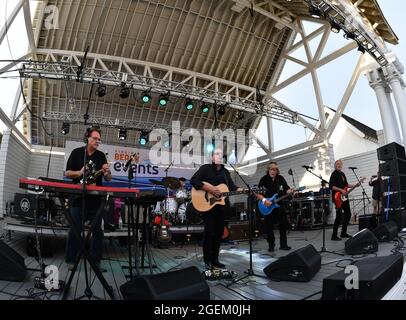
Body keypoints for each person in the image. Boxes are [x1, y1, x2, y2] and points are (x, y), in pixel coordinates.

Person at [65, 127, 112, 270]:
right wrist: (79, 172)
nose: (98, 141)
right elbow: (67, 173)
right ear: (88, 138)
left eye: (99, 139)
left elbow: (108, 179)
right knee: (74, 230)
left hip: (95, 200)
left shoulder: (101, 156)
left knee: (98, 231)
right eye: (95, 138)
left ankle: (96, 261)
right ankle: (71, 260)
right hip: (78, 199)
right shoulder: (77, 153)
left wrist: (107, 173)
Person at [190, 148, 241, 270]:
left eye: (220, 155)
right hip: (208, 207)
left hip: (221, 208)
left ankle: (215, 259)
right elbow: (194, 180)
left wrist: (242, 190)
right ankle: (207, 260)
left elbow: (232, 187)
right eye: (216, 154)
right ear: (212, 157)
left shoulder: (226, 172)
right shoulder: (205, 168)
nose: (218, 156)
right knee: (209, 233)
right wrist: (210, 189)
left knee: (219, 234)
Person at [257, 161, 293, 252]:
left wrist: (289, 191)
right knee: (269, 226)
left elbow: (286, 189)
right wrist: (265, 200)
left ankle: (283, 245)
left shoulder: (280, 178)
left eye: (275, 169)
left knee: (283, 225)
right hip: (268, 206)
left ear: (277, 170)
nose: (273, 171)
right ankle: (271, 245)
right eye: (271, 169)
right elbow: (258, 194)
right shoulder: (264, 179)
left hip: (279, 205)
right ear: (268, 170)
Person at [329, 159, 354, 241]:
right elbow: (331, 186)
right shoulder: (334, 174)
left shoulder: (342, 174)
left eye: (341, 164)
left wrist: (355, 185)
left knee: (348, 214)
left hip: (344, 197)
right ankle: (334, 235)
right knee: (339, 216)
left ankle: (343, 233)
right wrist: (341, 190)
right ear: (335, 165)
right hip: (337, 198)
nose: (339, 165)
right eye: (338, 164)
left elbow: (346, 185)